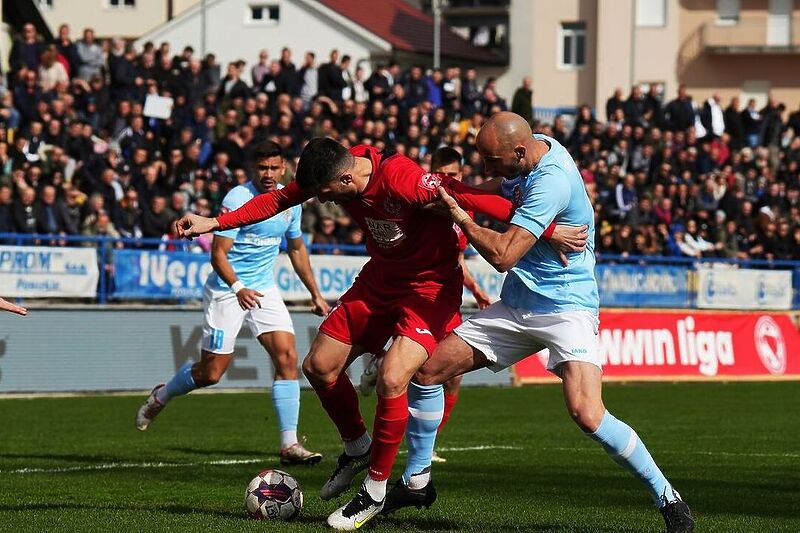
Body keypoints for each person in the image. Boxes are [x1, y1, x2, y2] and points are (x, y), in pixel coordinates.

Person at [173, 137, 586, 530]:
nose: (323, 200)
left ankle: (373, 491)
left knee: (392, 376)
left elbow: (470, 196)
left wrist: (545, 230)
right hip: (379, 280)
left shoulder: (403, 179)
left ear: (347, 180)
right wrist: (214, 221)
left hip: (429, 289)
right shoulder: (332, 166)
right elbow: (281, 198)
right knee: (318, 367)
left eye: (329, 193)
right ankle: (358, 448)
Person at [413, 112, 695, 533]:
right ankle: (416, 481)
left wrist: (459, 213)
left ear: (520, 151)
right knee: (428, 370)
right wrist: (479, 197)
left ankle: (667, 496)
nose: (487, 171)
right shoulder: (534, 145)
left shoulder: (551, 181)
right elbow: (503, 191)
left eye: (492, 161)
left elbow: (504, 255)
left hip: (567, 307)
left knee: (587, 413)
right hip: (517, 305)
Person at [135, 142, 329, 466]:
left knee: (287, 357)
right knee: (212, 373)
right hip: (228, 289)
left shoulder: (291, 202)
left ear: (284, 169)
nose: (268, 174)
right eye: (262, 168)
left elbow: (296, 249)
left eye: (274, 168)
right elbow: (218, 254)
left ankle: (289, 444)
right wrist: (238, 287)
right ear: (254, 169)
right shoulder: (238, 199)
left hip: (264, 288)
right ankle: (161, 395)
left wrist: (316, 293)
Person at [358, 146, 496, 467]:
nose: (447, 179)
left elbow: (460, 258)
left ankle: (427, 443)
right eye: (442, 174)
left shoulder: (466, 211)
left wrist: (476, 290)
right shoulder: (419, 200)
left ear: (462, 175)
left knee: (452, 377)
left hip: (448, 294)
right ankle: (383, 366)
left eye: (454, 175)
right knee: (417, 368)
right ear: (431, 172)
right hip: (418, 291)